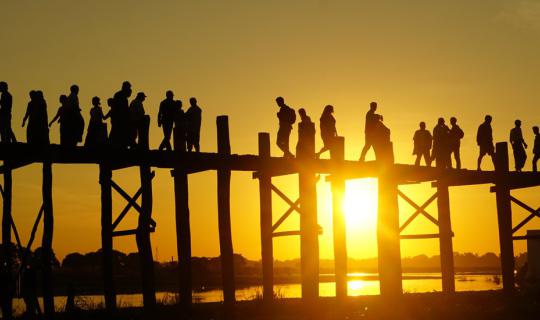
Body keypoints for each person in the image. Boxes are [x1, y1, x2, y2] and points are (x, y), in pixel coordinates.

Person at [110, 81, 132, 148]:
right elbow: (121, 108)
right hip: (119, 118)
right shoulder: (120, 96)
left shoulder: (119, 95)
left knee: (117, 131)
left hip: (118, 117)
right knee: (117, 131)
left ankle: (118, 144)